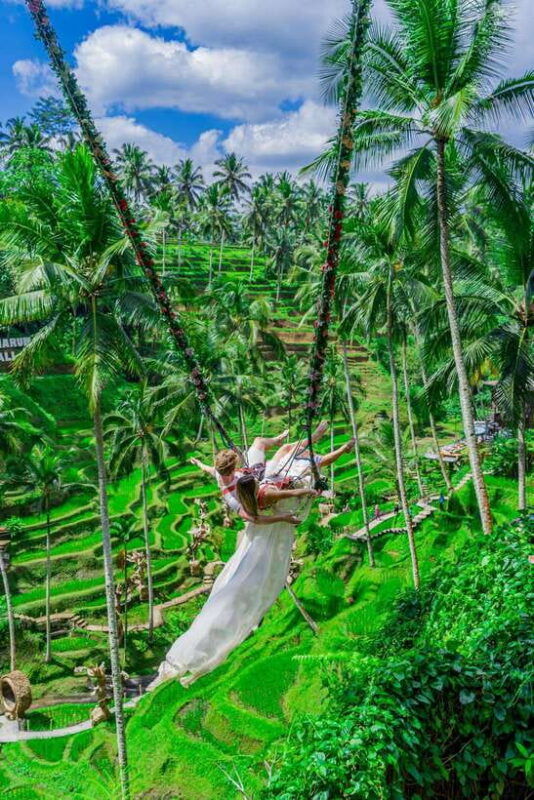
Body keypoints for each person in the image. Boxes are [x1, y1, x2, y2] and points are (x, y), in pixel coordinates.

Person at [150, 434, 354, 689]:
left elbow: (213, 469)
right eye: (235, 463)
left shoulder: (231, 478)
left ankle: (307, 435)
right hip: (265, 514)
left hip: (260, 500)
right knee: (300, 464)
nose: (237, 464)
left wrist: (199, 465)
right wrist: (294, 509)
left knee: (265, 444)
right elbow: (261, 515)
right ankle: (331, 444)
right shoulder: (251, 497)